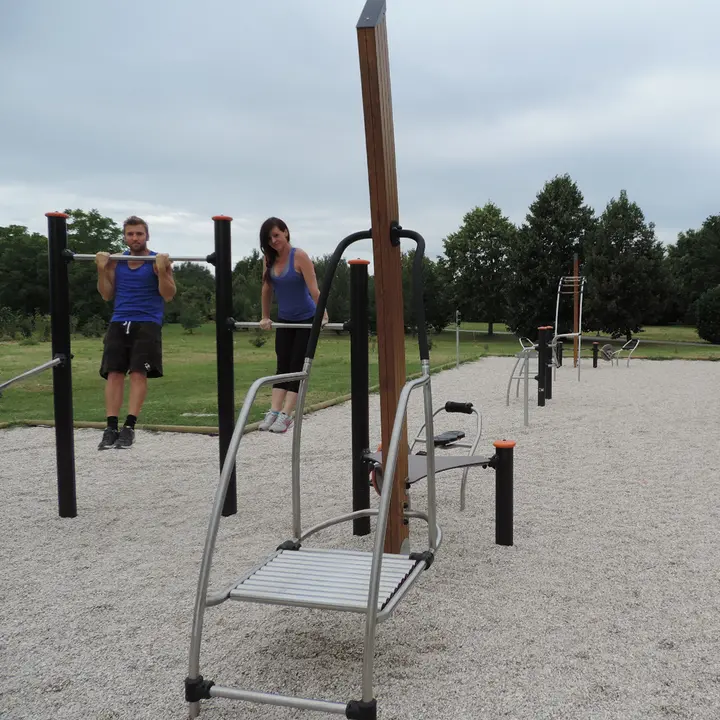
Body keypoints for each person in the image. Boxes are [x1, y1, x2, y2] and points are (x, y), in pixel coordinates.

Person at [95, 215, 176, 449]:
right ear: (125, 236)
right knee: (114, 373)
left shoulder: (157, 260)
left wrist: (161, 271)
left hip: (147, 322)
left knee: (139, 373)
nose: (135, 238)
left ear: (146, 236)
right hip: (119, 320)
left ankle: (129, 427)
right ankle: (111, 427)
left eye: (139, 234)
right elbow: (107, 294)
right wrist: (102, 270)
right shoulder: (116, 261)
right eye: (130, 234)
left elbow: (169, 295)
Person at [257, 216, 327, 433]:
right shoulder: (269, 260)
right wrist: (265, 316)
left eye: (277, 235)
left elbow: (314, 289)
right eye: (269, 239)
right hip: (285, 319)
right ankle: (274, 411)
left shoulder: (300, 256)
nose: (274, 241)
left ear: (286, 232)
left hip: (306, 318)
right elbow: (267, 289)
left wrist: (323, 315)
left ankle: (287, 415)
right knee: (282, 365)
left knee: (297, 366)